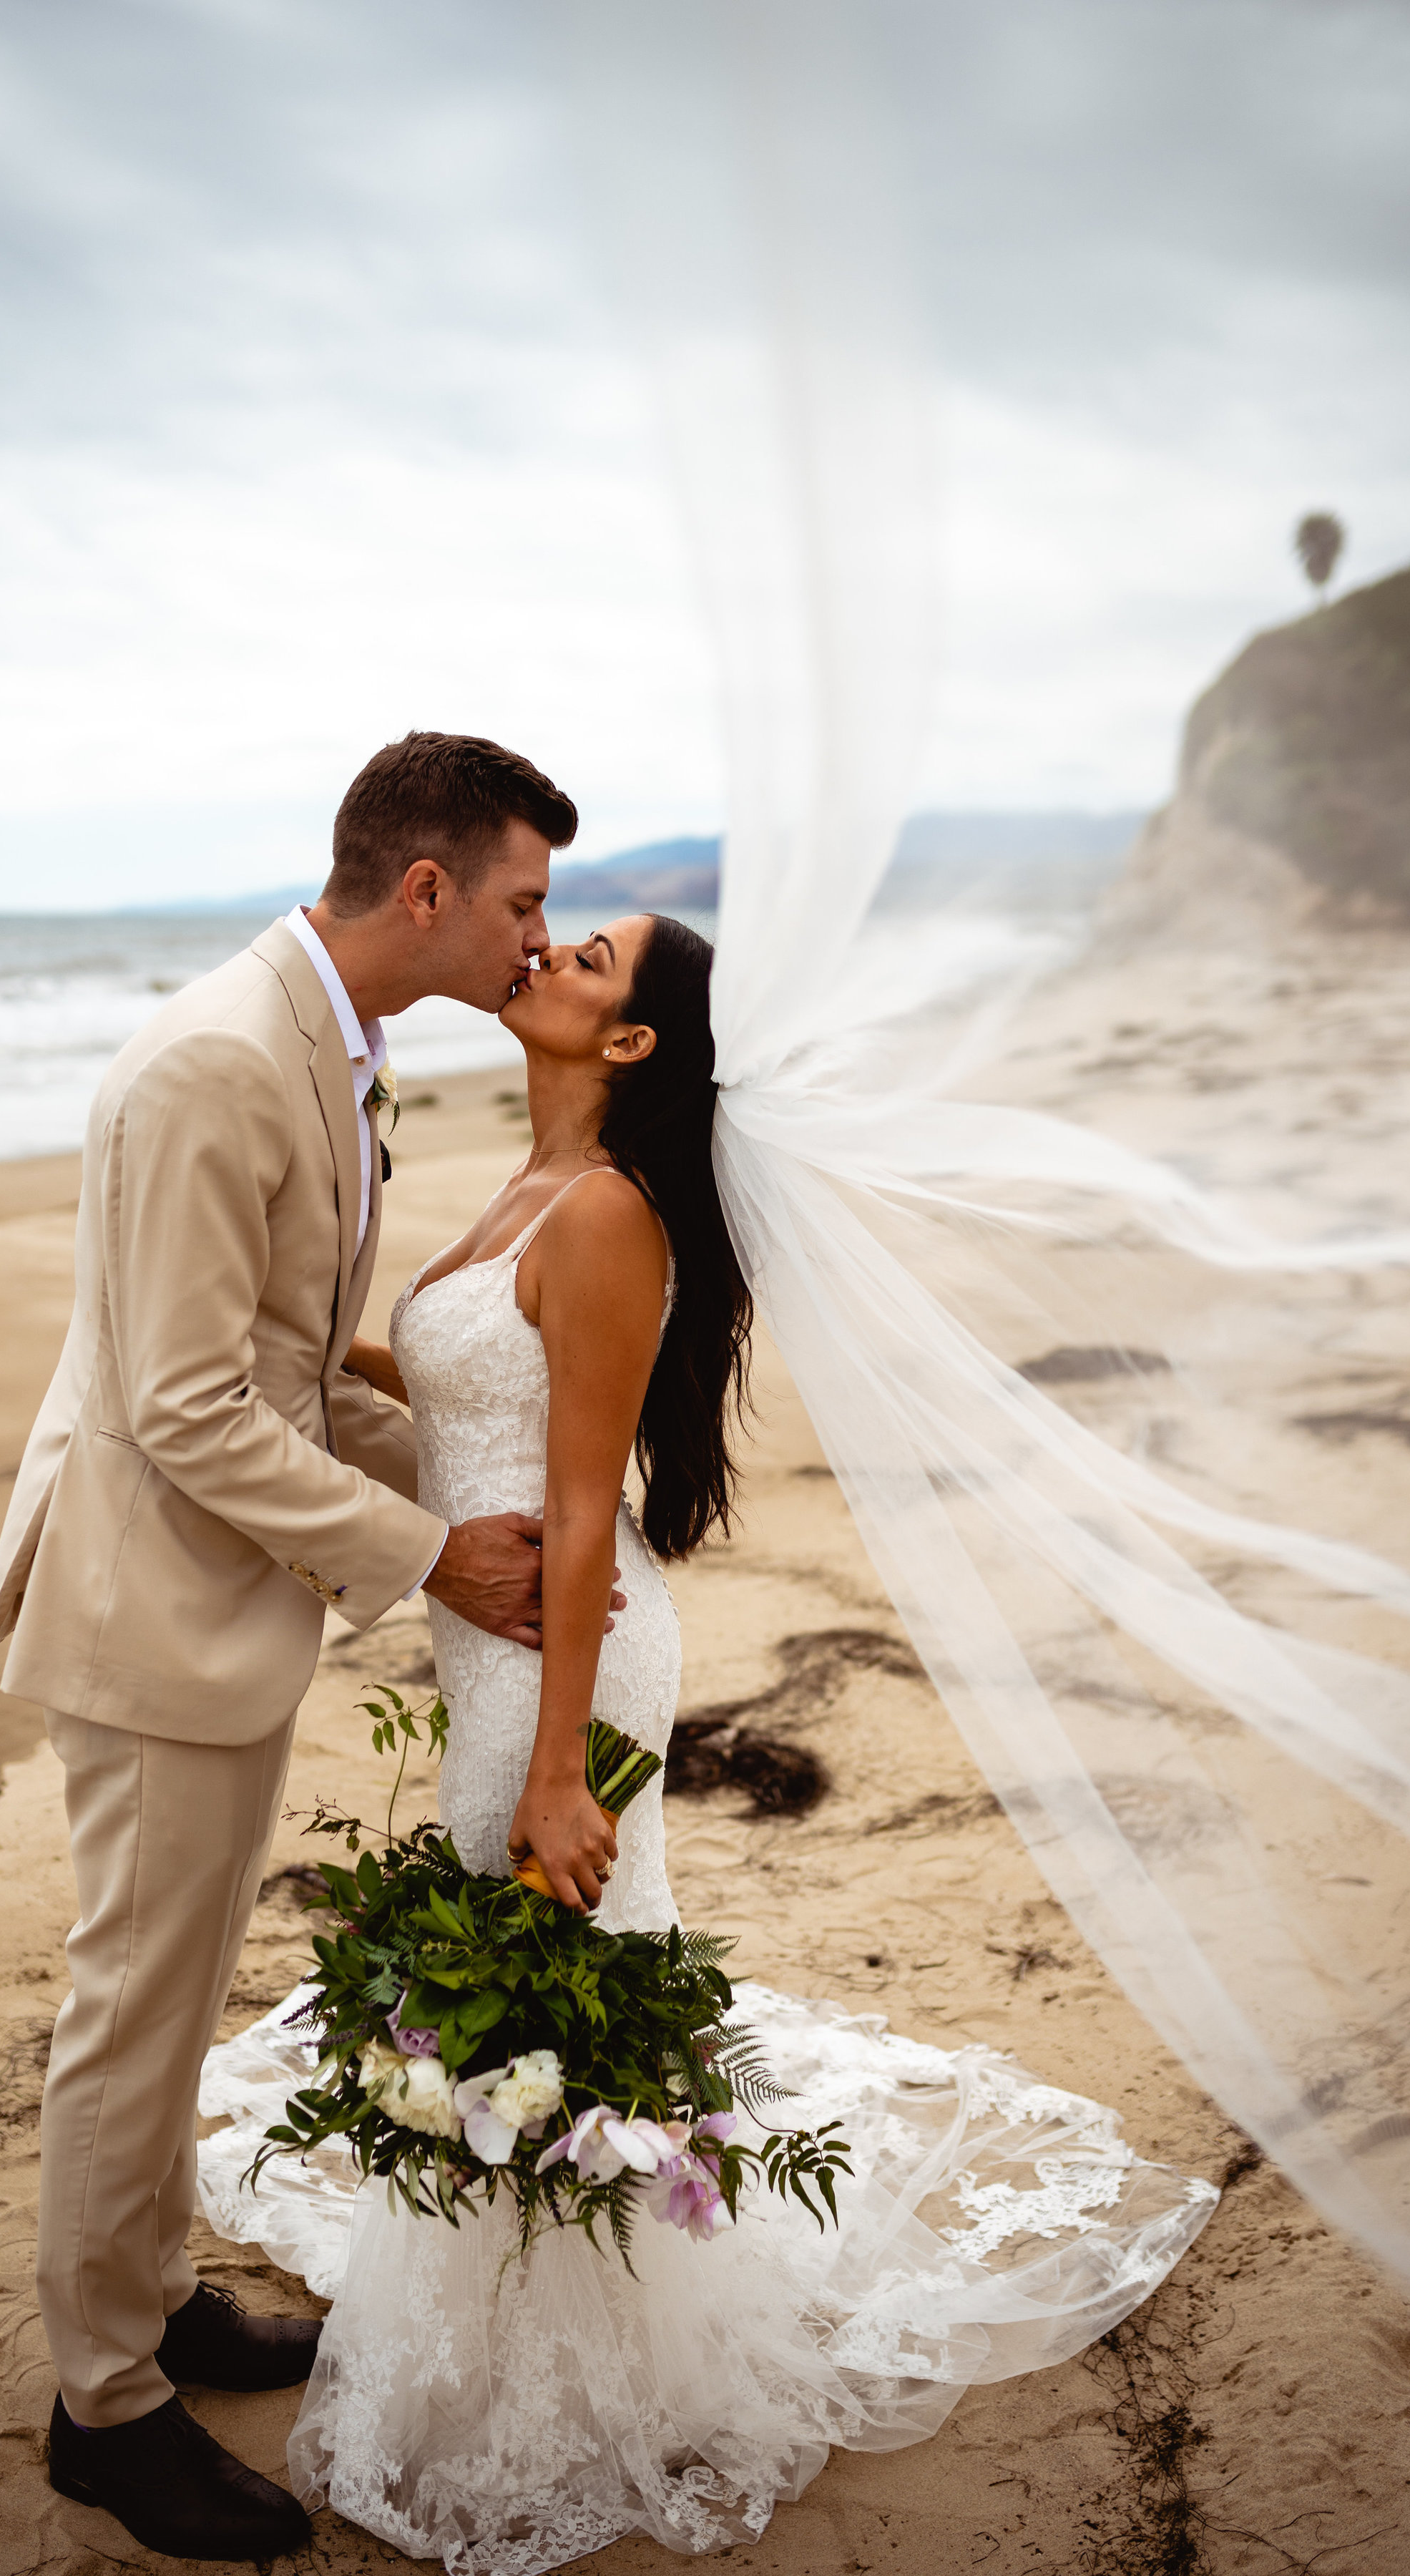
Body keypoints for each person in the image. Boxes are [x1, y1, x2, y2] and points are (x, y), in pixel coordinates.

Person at [199, 912, 1217, 2574]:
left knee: (541, 1959)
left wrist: (552, 1772)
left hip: (566, 1666)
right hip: (492, 1641)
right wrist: (313, 1358)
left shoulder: (606, 1215)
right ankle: (520, 2295)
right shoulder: (533, 1182)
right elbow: (476, 1402)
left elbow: (588, 1516)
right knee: (517, 1970)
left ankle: (585, 2361)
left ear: (634, 1046)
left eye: (588, 957)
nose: (545, 953)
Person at [0, 732, 632, 2565]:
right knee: (133, 2007)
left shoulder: (340, 1051)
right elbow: (185, 1404)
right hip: (148, 1606)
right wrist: (435, 1550)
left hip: (226, 1595)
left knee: (177, 1995)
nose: (533, 937)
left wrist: (467, 1484)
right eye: (521, 901)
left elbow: (281, 1361)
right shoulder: (211, 1066)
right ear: (425, 891)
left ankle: (159, 2294)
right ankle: (106, 2405)